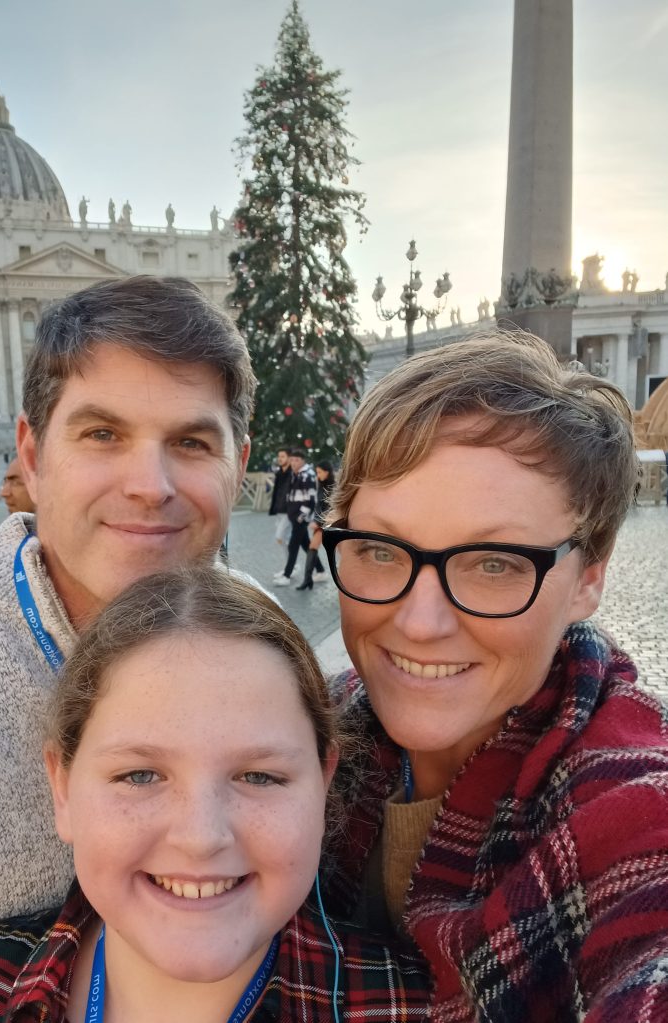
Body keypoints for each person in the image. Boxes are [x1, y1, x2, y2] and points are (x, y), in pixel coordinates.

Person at [0, 275, 255, 1017]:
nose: (149, 485)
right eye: (102, 434)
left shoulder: (275, 653)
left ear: (238, 464)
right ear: (32, 451)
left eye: (189, 441)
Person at [318, 330, 668, 1020]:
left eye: (495, 563)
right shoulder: (314, 730)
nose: (419, 622)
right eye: (381, 550)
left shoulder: (631, 810)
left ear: (588, 579)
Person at [0, 569, 419, 1022]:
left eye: (259, 777)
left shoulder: (418, 1009)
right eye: (140, 775)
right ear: (63, 789)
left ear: (324, 787)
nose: (200, 837)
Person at [273, 449, 327, 587]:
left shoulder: (307, 475)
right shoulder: (295, 474)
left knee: (293, 545)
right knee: (306, 545)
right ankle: (320, 570)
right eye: (292, 460)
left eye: (296, 460)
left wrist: (300, 516)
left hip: (300, 518)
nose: (293, 463)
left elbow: (310, 500)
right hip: (294, 516)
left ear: (303, 460)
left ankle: (286, 575)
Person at [296, 459, 335, 591]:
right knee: (312, 547)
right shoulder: (321, 485)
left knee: (343, 553)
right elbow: (318, 506)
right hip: (320, 524)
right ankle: (308, 580)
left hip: (330, 525)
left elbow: (330, 509)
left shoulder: (333, 488)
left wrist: (317, 522)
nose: (318, 475)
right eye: (316, 472)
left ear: (327, 472)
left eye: (319, 472)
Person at [267, 445, 292, 546]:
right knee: (285, 540)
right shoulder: (278, 473)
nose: (280, 459)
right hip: (278, 510)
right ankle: (291, 562)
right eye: (279, 456)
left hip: (288, 511)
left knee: (279, 536)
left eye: (282, 456)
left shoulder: (294, 474)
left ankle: (292, 561)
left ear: (289, 458)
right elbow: (276, 492)